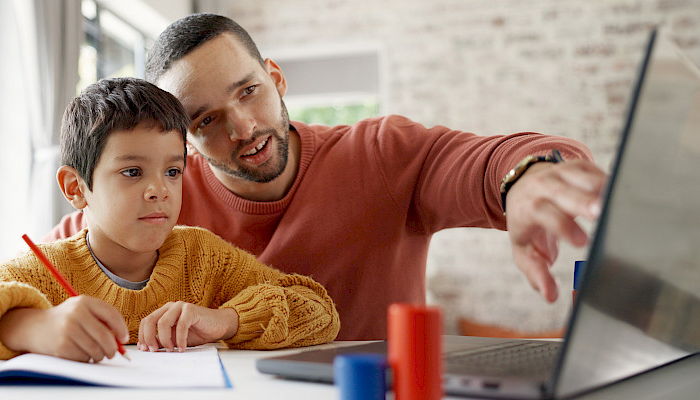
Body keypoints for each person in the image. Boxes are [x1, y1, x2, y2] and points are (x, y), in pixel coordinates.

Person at [41, 14, 607, 341]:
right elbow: (33, 276)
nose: (242, 126)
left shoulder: (379, 154)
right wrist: (36, 324)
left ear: (276, 78)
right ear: (183, 138)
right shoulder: (157, 199)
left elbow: (496, 162)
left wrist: (529, 176)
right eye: (206, 120)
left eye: (248, 91)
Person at [0, 77, 340, 362]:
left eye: (172, 171)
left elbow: (320, 312)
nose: (159, 190)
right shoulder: (42, 272)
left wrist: (225, 320)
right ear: (75, 188)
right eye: (132, 172)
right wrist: (31, 326)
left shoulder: (203, 257)